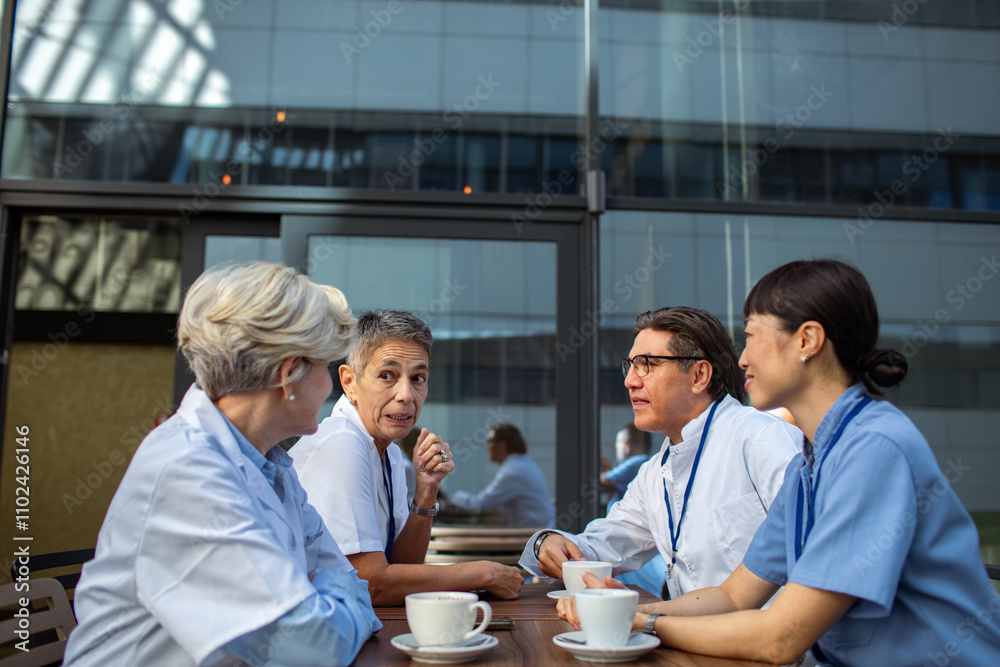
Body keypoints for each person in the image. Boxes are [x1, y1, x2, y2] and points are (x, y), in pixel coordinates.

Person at [559, 260, 1000, 666]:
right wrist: (631, 613)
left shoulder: (873, 448)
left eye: (752, 336)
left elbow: (782, 638)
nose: (742, 358)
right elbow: (734, 597)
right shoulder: (810, 464)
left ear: (807, 340)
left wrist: (646, 623)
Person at [64, 261, 381, 667]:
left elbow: (349, 587)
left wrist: (326, 596)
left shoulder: (270, 463)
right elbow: (313, 646)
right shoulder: (187, 472)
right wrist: (330, 594)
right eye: (324, 366)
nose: (329, 385)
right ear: (288, 374)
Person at [521, 306, 801, 600]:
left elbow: (816, 555)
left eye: (647, 365)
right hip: (688, 626)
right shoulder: (654, 472)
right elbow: (601, 547)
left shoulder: (762, 438)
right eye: (630, 365)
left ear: (699, 375)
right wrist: (546, 542)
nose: (630, 381)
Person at [291, 310, 523, 606]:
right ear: (350, 382)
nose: (406, 395)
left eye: (418, 378)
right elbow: (370, 584)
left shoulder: (389, 452)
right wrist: (480, 574)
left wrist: (427, 489)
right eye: (387, 376)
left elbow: (402, 567)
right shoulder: (341, 441)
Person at [446, 423, 556, 528]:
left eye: (490, 442)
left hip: (534, 531)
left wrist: (454, 498)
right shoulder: (521, 463)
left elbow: (481, 504)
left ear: (502, 445)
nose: (487, 447)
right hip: (534, 528)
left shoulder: (513, 471)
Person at [600, 422, 650, 510]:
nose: (616, 449)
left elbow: (602, 482)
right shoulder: (646, 463)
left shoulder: (638, 461)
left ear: (627, 445)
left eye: (618, 444)